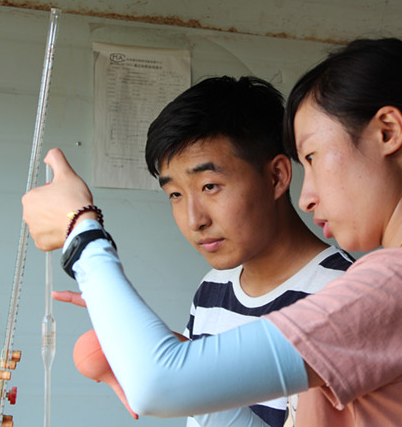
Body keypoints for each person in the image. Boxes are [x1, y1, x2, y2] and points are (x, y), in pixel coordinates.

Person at [22, 37, 402, 426]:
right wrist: (192, 375)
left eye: (312, 157)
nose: (307, 197)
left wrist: (82, 233)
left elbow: (159, 382)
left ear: (387, 132)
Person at [54, 76, 353, 427]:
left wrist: (171, 374)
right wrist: (163, 350)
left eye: (210, 186)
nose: (194, 220)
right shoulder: (213, 288)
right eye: (175, 195)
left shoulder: (343, 295)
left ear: (276, 176)